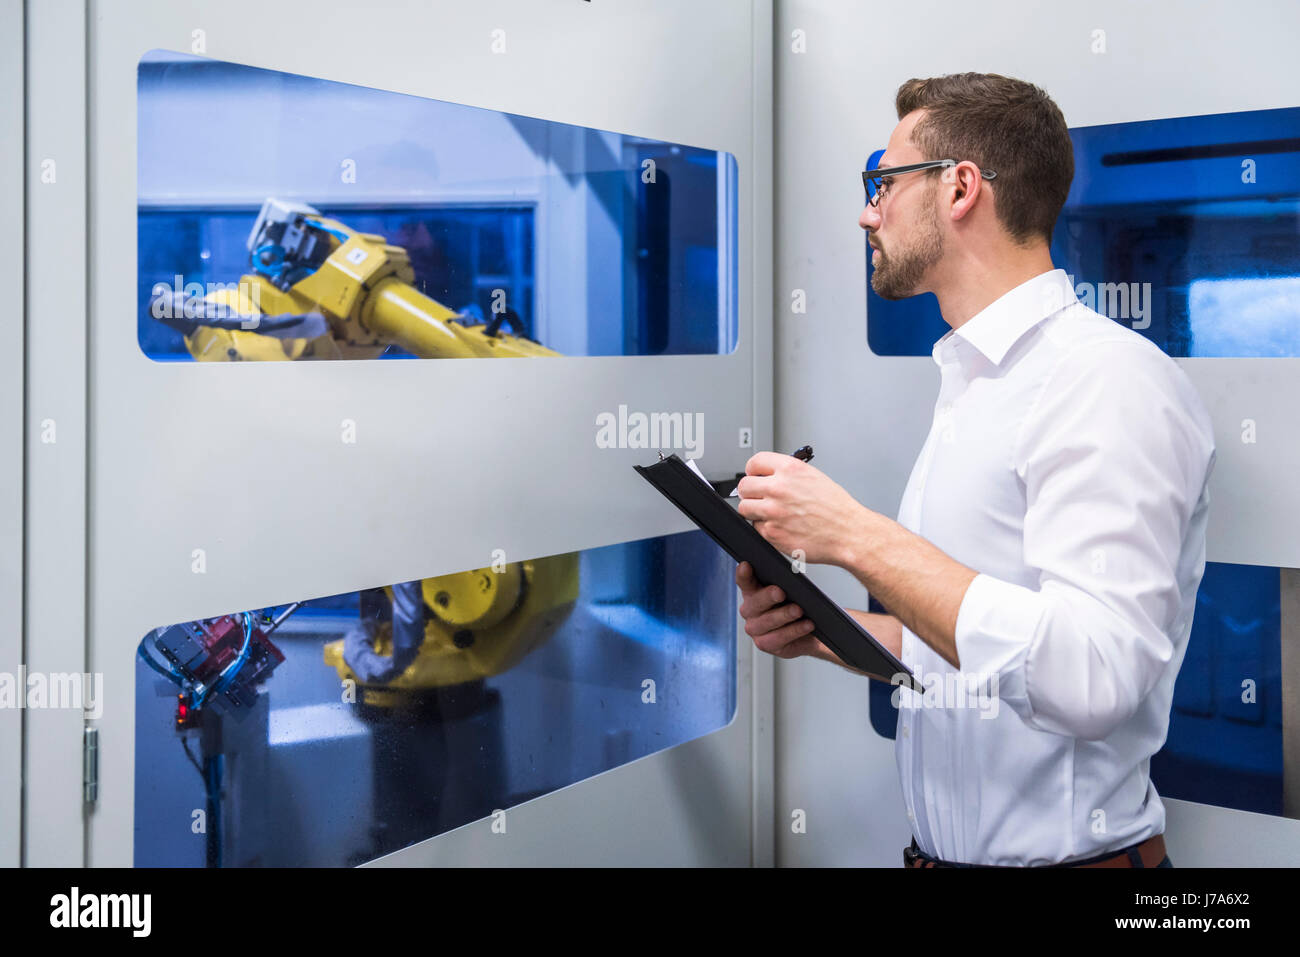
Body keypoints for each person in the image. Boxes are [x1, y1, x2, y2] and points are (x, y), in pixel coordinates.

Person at [735, 72, 1215, 868]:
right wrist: (829, 629)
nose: (867, 211)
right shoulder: (975, 386)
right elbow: (981, 651)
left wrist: (853, 535)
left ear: (960, 187)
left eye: (882, 183)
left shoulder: (1105, 379)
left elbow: (1090, 674)